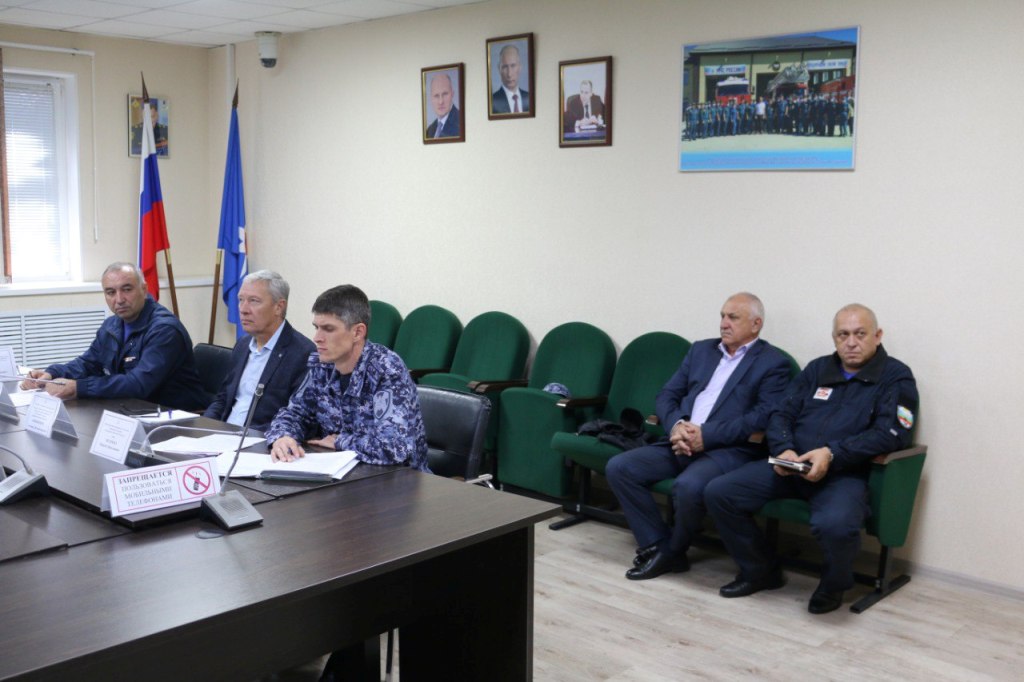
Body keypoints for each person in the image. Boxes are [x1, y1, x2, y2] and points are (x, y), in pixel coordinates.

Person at [705, 304, 918, 614]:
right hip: (791, 464)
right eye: (843, 335)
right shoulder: (818, 369)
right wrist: (783, 448)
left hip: (844, 473)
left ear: (877, 335)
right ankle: (760, 569)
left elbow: (892, 433)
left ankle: (834, 585)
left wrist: (832, 453)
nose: (851, 342)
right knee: (719, 492)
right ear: (834, 338)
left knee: (836, 524)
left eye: (860, 334)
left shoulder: (896, 376)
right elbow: (781, 413)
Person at [604, 293, 792, 581]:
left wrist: (708, 435)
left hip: (727, 450)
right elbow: (667, 394)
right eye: (722, 316)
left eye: (733, 317)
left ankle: (673, 551)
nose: (724, 323)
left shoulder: (773, 363)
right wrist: (677, 426)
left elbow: (763, 416)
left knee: (689, 486)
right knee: (620, 467)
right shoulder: (701, 350)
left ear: (756, 324)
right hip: (681, 440)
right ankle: (657, 545)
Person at [264, 284, 428, 471]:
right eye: (316, 327)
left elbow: (395, 448)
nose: (317, 337)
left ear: (358, 332)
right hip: (339, 471)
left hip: (397, 479)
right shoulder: (322, 366)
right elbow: (295, 413)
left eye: (328, 329)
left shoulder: (387, 370)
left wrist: (340, 441)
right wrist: (283, 436)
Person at [20, 262, 207, 410]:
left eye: (127, 289)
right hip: (130, 409)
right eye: (111, 292)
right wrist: (51, 374)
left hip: (174, 417)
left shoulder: (164, 330)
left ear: (144, 289)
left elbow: (138, 384)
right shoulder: (112, 325)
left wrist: (78, 388)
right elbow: (88, 363)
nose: (119, 299)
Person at [203, 270, 315, 431]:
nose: (243, 309)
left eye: (253, 301)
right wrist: (204, 427)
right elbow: (223, 398)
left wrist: (242, 437)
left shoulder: (303, 353)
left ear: (278, 307)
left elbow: (298, 418)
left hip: (259, 439)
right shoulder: (242, 345)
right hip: (222, 434)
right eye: (241, 300)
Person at [491, 44, 530, 114]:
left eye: (513, 66)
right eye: (505, 67)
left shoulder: (529, 97)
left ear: (520, 67)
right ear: (499, 69)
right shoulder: (492, 101)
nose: (509, 74)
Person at [425, 72, 460, 139]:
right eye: (436, 96)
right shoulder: (429, 130)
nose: (441, 101)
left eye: (445, 94)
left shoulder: (461, 123)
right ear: (431, 98)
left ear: (452, 94)